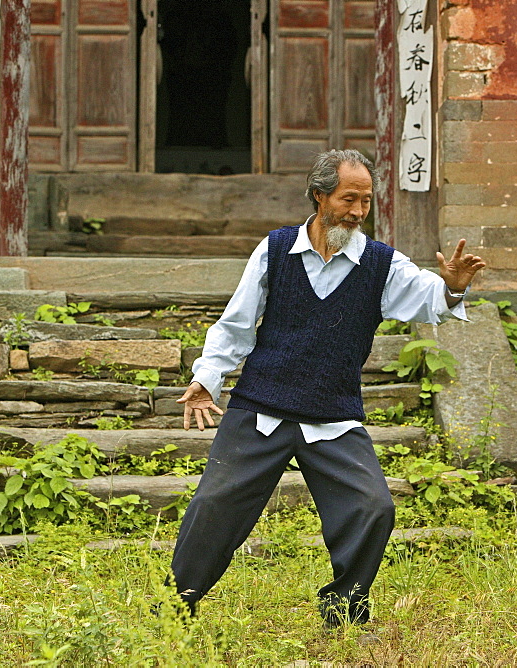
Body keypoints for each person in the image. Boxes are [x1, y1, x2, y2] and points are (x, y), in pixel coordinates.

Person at [170, 149, 486, 628]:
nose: (358, 211)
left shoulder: (381, 264)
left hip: (333, 416)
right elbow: (236, 325)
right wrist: (205, 379)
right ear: (319, 196)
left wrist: (453, 289)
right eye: (348, 199)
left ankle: (344, 608)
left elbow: (428, 298)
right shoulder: (275, 250)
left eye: (365, 201)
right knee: (214, 506)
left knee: (372, 507)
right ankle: (180, 601)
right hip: (261, 407)